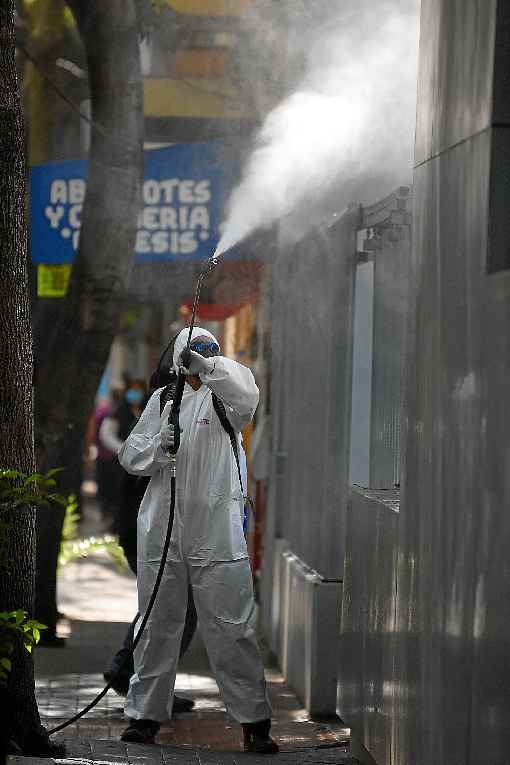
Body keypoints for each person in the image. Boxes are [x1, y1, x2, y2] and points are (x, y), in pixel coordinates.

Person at [118, 327, 278, 754]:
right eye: (194, 351)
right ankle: (145, 717)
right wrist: (157, 445)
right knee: (155, 625)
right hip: (162, 530)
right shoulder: (161, 403)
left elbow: (246, 390)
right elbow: (130, 456)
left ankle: (254, 722)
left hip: (215, 529)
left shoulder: (226, 400)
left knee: (231, 625)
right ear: (175, 359)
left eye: (209, 350)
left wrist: (210, 368)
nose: (202, 357)